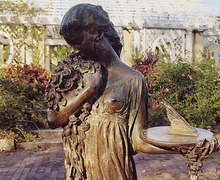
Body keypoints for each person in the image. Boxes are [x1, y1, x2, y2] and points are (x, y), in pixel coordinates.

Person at [46, 4, 173, 180]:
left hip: (115, 171)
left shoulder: (134, 80)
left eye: (78, 42)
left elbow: (138, 140)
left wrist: (180, 145)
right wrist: (88, 90)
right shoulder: (77, 73)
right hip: (82, 169)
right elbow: (53, 119)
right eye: (72, 45)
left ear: (98, 34)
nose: (75, 50)